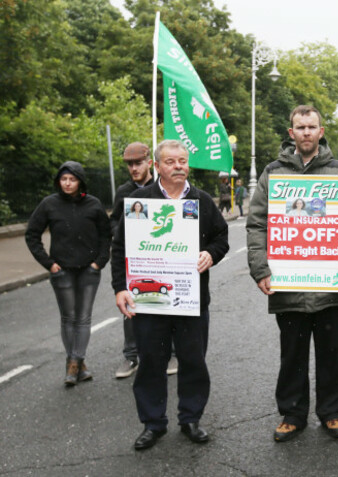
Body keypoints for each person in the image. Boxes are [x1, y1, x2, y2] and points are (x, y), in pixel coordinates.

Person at [247, 105, 338, 442]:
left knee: (332, 353)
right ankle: (292, 414)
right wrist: (261, 269)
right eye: (299, 127)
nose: (306, 133)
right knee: (292, 355)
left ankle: (332, 412)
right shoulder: (272, 173)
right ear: (291, 133)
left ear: (321, 131)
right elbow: (257, 225)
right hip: (288, 285)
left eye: (311, 127)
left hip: (332, 286)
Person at [111, 140, 229, 450]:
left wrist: (211, 254)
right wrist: (120, 287)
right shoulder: (139, 201)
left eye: (183, 161)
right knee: (151, 361)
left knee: (193, 360)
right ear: (158, 166)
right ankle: (153, 424)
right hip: (149, 302)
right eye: (171, 161)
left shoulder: (202, 200)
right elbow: (120, 247)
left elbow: (221, 237)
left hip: (191, 299)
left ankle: (190, 418)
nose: (178, 166)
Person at [26, 161, 111, 386]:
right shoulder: (49, 204)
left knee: (83, 318)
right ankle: (78, 364)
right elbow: (32, 234)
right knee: (68, 317)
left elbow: (106, 235)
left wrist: (99, 263)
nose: (67, 183)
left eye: (72, 179)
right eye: (63, 179)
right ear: (58, 181)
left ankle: (73, 363)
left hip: (88, 271)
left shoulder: (93, 204)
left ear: (80, 181)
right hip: (61, 270)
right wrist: (49, 264)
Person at [110, 143, 177, 380]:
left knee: (165, 301)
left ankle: (170, 352)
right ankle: (131, 356)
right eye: (130, 164)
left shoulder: (164, 187)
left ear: (150, 163)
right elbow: (114, 223)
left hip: (164, 256)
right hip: (136, 259)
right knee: (132, 305)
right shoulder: (124, 191)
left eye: (138, 163)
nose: (134, 168)